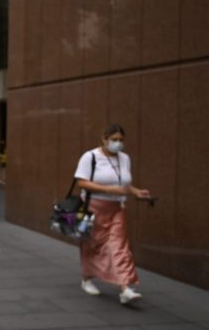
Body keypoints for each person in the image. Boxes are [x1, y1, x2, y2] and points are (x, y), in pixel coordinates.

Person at [74, 124, 152, 304]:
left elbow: (123, 183)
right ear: (104, 139)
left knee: (119, 246)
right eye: (114, 140)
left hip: (117, 207)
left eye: (121, 140)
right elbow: (82, 182)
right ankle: (87, 278)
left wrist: (135, 192)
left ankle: (125, 288)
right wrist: (108, 189)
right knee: (93, 245)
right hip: (93, 207)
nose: (118, 143)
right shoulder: (90, 157)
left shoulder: (124, 158)